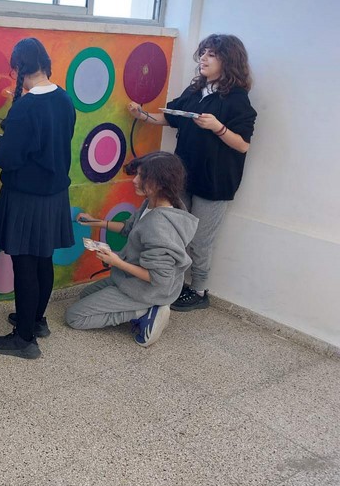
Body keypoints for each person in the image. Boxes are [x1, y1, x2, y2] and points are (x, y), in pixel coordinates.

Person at [128, 34, 257, 311]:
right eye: (203, 53)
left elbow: (243, 144)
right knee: (173, 231)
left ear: (228, 61)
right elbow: (170, 116)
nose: (204, 59)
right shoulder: (196, 90)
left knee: (200, 240)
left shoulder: (237, 100)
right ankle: (171, 283)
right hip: (184, 176)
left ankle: (199, 290)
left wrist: (217, 127)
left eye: (211, 54)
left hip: (215, 182)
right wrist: (142, 115)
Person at [0, 37, 76, 359]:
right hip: (54, 195)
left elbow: (7, 159)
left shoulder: (26, 107)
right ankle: (36, 320)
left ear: (18, 68)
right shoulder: (64, 98)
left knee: (24, 265)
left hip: (27, 197)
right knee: (42, 260)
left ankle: (24, 339)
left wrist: (0, 141)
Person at [65, 152, 198, 346]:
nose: (134, 180)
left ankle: (142, 312)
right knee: (85, 295)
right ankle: (140, 307)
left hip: (148, 290)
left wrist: (116, 262)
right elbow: (129, 228)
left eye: (142, 176)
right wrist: (95, 222)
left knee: (74, 317)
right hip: (128, 279)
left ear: (160, 182)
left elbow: (159, 278)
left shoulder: (160, 226)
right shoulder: (153, 203)